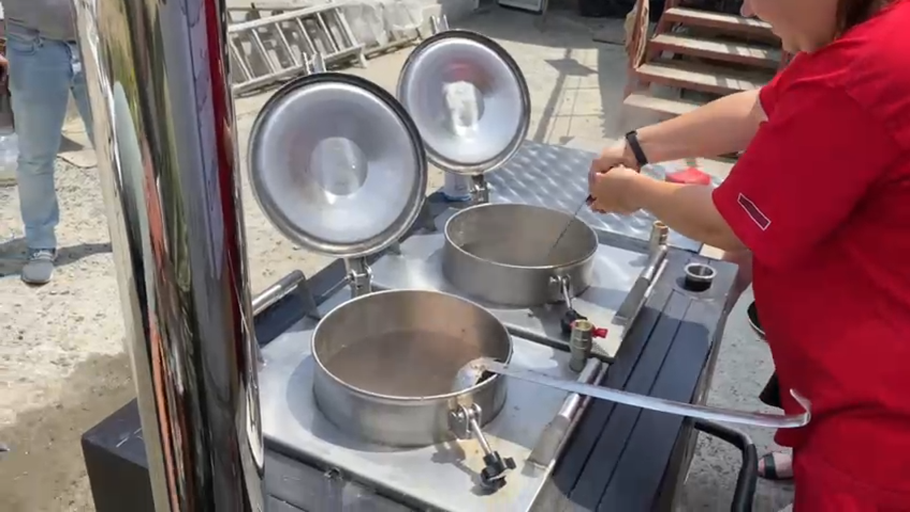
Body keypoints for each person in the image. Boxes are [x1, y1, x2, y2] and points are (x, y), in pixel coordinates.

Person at [588, 0, 910, 509]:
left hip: (880, 425)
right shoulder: (868, 33)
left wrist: (635, 193)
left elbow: (729, 223)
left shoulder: (863, 74)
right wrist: (636, 145)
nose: (746, 6)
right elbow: (759, 108)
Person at [1, 0, 93, 285]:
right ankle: (40, 244)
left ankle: (144, 233)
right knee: (35, 156)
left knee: (125, 146)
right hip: (33, 47)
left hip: (97, 41)